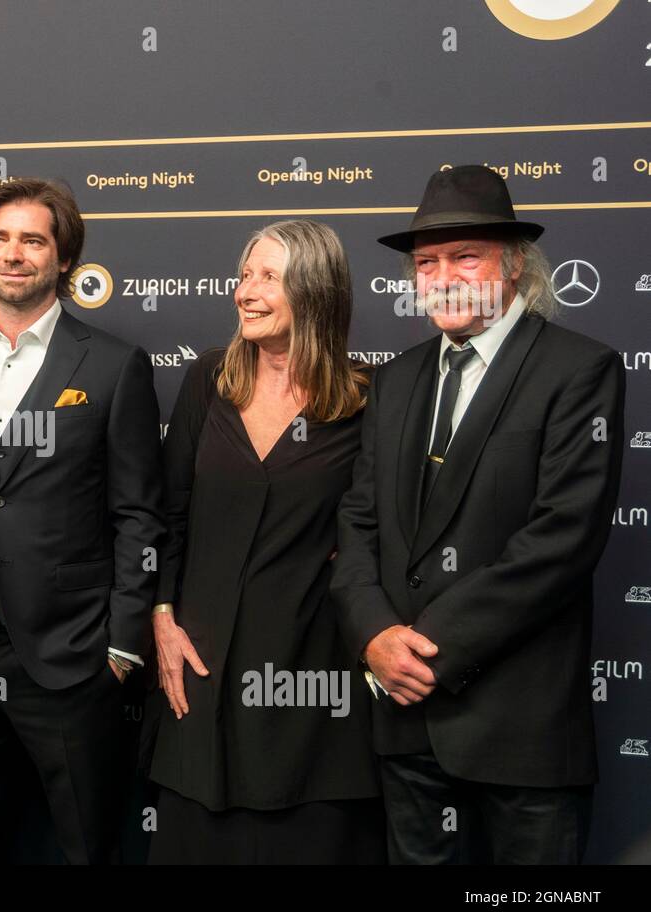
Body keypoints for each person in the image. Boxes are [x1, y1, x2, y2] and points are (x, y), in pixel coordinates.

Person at [331, 165, 625, 864]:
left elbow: (561, 540)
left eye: (465, 255)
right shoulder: (396, 380)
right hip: (404, 723)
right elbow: (358, 523)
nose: (443, 275)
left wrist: (429, 652)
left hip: (520, 732)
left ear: (514, 263)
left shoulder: (579, 371)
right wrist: (374, 638)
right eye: (427, 262)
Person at [0, 178, 165, 864]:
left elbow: (138, 514)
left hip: (72, 658)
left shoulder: (114, 367)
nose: (13, 253)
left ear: (62, 256)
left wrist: (122, 646)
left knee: (87, 845)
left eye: (32, 239)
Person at [145, 220, 384, 864]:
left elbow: (383, 526)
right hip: (202, 667)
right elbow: (167, 515)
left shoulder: (367, 399)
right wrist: (162, 617)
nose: (245, 291)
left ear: (315, 291)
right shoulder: (208, 382)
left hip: (315, 676)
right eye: (245, 274)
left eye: (267, 277)